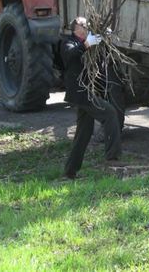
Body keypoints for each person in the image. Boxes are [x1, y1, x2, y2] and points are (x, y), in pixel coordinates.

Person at [60, 17, 122, 179]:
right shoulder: (69, 42)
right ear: (76, 29)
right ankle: (112, 157)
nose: (87, 26)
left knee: (83, 133)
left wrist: (104, 40)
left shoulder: (90, 42)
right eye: (83, 25)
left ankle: (70, 171)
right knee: (110, 114)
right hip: (82, 93)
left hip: (89, 92)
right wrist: (87, 44)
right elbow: (71, 55)